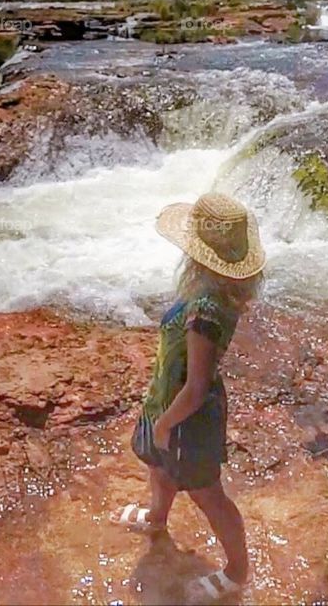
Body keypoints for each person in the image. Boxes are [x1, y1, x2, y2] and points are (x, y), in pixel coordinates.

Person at [111, 192, 265, 604]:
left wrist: (164, 424)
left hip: (186, 416)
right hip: (166, 400)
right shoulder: (210, 292)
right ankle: (157, 520)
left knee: (206, 493)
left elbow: (196, 387)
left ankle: (236, 571)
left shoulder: (207, 311)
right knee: (159, 466)